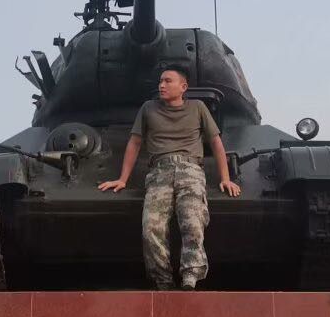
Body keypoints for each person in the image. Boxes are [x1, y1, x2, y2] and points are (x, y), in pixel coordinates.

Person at [98, 65, 241, 289]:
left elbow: (216, 142)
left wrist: (225, 177)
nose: (161, 85)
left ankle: (190, 276)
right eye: (160, 81)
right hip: (159, 172)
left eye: (167, 81)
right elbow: (135, 142)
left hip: (190, 170)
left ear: (183, 87)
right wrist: (123, 179)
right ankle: (163, 281)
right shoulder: (148, 108)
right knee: (151, 228)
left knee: (193, 221)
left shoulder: (198, 107)